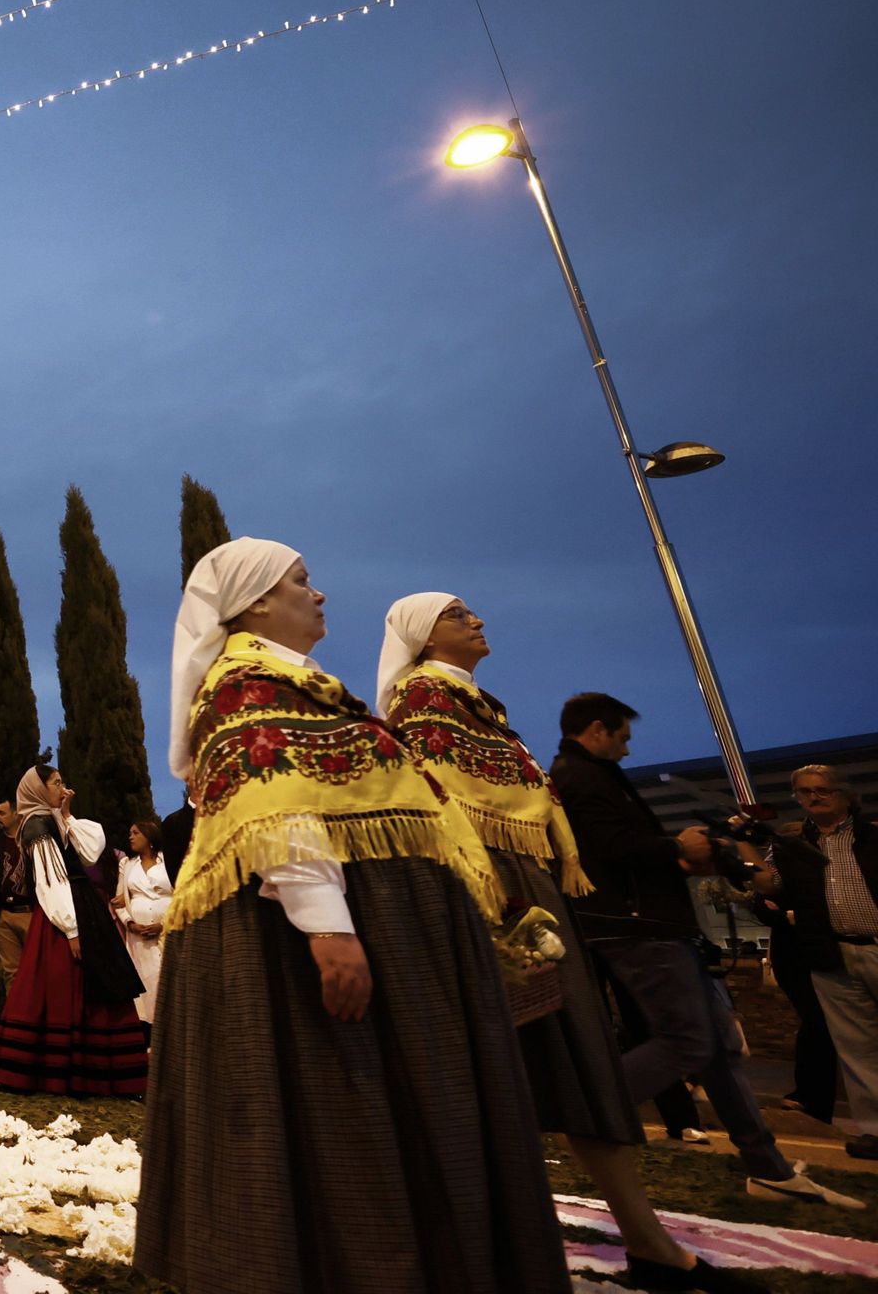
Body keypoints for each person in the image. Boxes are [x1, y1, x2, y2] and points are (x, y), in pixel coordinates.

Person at [136, 539, 569, 1294]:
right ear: (258, 602)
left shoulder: (301, 683)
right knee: (348, 1104)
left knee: (403, 1100)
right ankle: (363, 1262)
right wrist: (327, 926)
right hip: (313, 932)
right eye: (302, 582)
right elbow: (277, 807)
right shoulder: (244, 682)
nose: (321, 595)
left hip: (383, 918)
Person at [382, 594, 738, 1287]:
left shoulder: (484, 707)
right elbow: (440, 805)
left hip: (525, 887)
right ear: (425, 636)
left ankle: (647, 1242)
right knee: (511, 1067)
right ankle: (493, 1242)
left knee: (574, 1059)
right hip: (489, 894)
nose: (478, 620)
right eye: (459, 616)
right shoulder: (422, 698)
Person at [553, 691, 851, 1208]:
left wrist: (688, 855)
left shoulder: (592, 775)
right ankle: (577, 1111)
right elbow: (605, 849)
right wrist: (676, 847)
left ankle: (768, 1168)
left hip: (656, 923)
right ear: (597, 730)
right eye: (622, 737)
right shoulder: (579, 777)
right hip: (639, 928)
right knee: (689, 1044)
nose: (628, 749)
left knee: (718, 1049)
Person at [0, 763, 147, 1096]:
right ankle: (60, 1071)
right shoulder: (37, 827)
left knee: (90, 984)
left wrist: (66, 813)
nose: (63, 788)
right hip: (64, 915)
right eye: (57, 783)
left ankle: (96, 1070)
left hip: (81, 907)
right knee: (62, 987)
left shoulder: (51, 820)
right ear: (38, 789)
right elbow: (50, 883)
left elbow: (90, 850)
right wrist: (72, 929)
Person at [759, 764, 878, 1161]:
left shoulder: (872, 835)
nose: (814, 797)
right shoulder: (791, 845)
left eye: (823, 790)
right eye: (805, 791)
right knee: (856, 1048)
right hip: (832, 953)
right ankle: (874, 1131)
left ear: (845, 794)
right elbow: (767, 885)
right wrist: (744, 846)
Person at [112, 820, 171, 1027]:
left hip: (168, 932)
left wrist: (165, 924)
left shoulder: (168, 862)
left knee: (168, 978)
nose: (131, 837)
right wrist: (130, 923)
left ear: (149, 837)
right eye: (130, 832)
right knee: (147, 981)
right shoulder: (127, 865)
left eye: (136, 833)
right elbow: (118, 901)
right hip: (139, 937)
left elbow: (182, 893)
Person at [0, 799, 31, 980]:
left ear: (16, 813)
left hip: (31, 912)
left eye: (2, 813)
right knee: (12, 974)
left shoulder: (31, 841)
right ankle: (16, 1009)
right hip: (4, 916)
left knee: (36, 969)